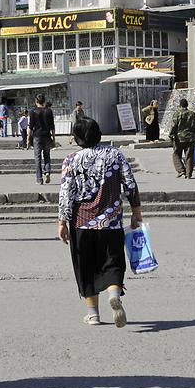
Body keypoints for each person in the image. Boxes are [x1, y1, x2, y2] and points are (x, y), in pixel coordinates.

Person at [58, 117, 142, 327]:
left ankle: (93, 314)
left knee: (86, 266)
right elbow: (130, 184)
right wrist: (136, 211)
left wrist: (62, 221)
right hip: (111, 221)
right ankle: (114, 294)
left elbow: (66, 192)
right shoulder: (115, 155)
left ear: (77, 138)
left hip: (81, 222)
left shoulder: (71, 159)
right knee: (112, 261)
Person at [169, 98, 195, 179]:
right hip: (190, 138)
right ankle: (188, 174)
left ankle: (181, 170)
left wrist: (171, 135)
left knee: (176, 154)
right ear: (187, 105)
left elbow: (173, 126)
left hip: (179, 138)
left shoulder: (177, 114)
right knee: (189, 156)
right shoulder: (192, 114)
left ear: (180, 105)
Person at [27, 94, 55, 184]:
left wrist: (28, 139)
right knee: (47, 155)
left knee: (37, 157)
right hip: (47, 136)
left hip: (37, 136)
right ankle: (47, 171)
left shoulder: (33, 111)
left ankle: (39, 179)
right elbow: (52, 126)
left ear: (36, 101)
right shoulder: (49, 111)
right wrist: (54, 139)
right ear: (44, 101)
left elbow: (31, 126)